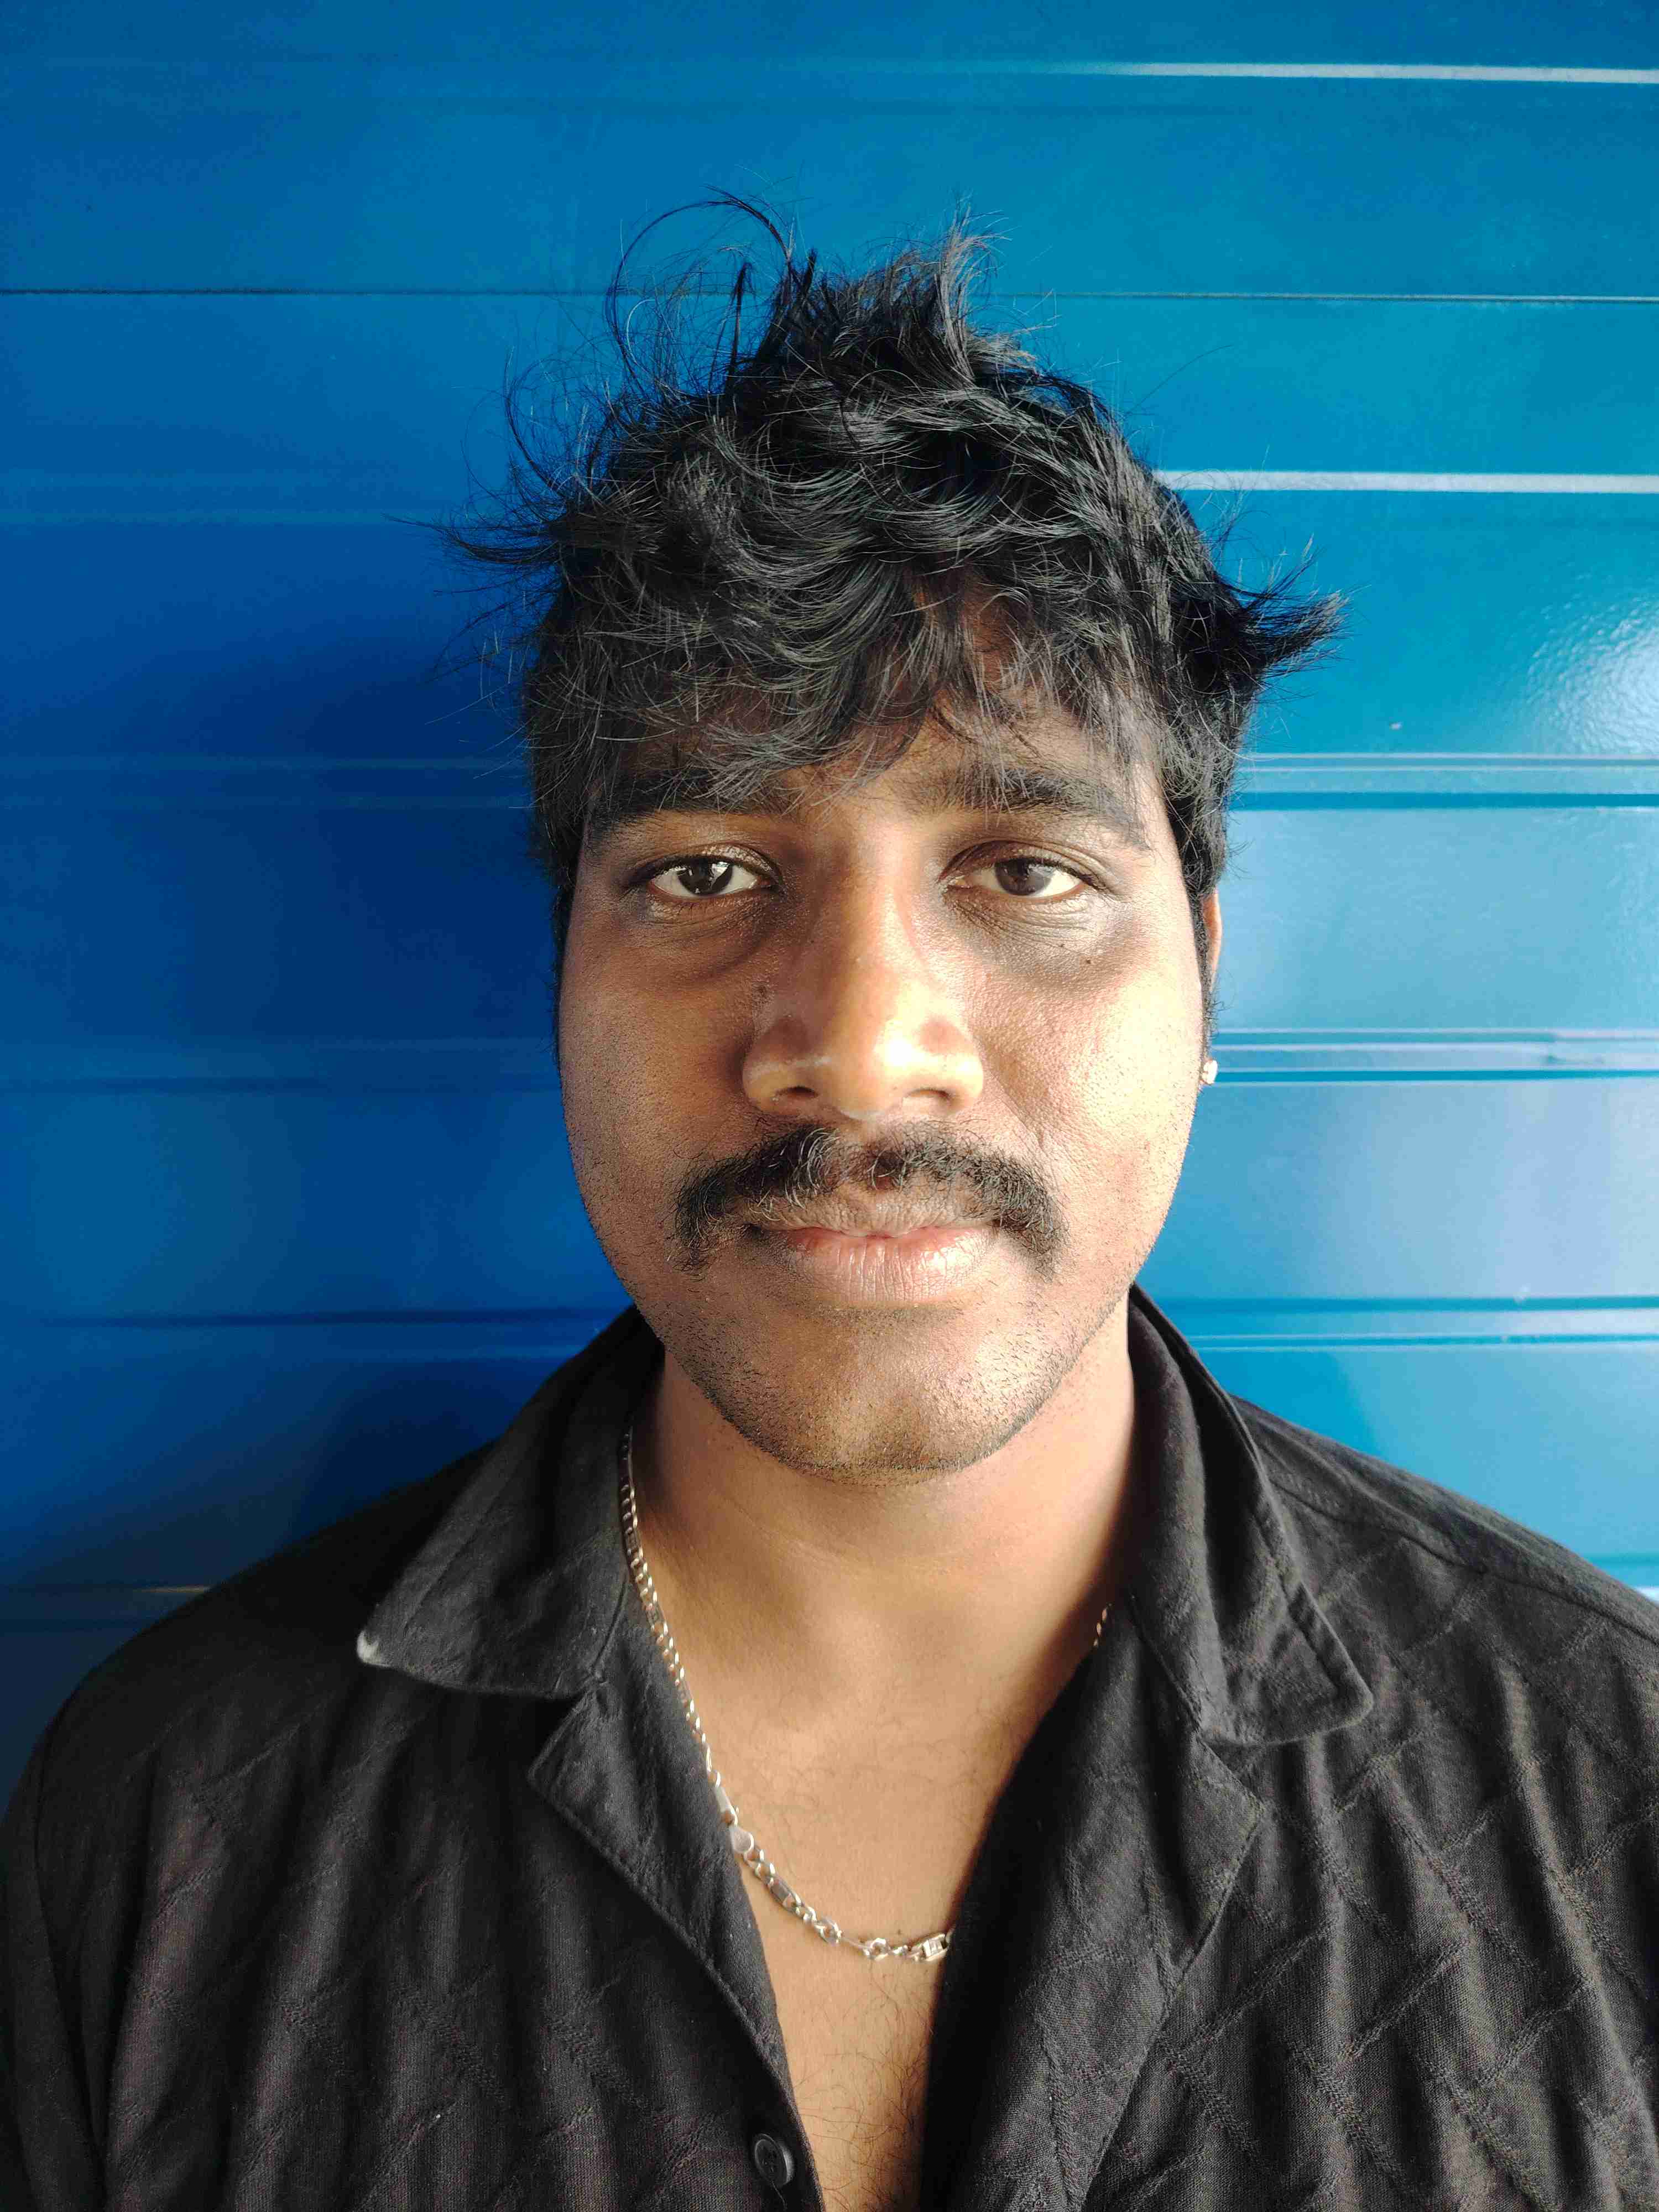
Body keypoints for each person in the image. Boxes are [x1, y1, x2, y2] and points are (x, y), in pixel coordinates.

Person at [4, 194, 1657, 2212]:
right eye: (705, 873)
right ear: (563, 970)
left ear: (1207, 977)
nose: (864, 1052)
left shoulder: (1611, 1780)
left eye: (1024, 873)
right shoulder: (168, 1820)